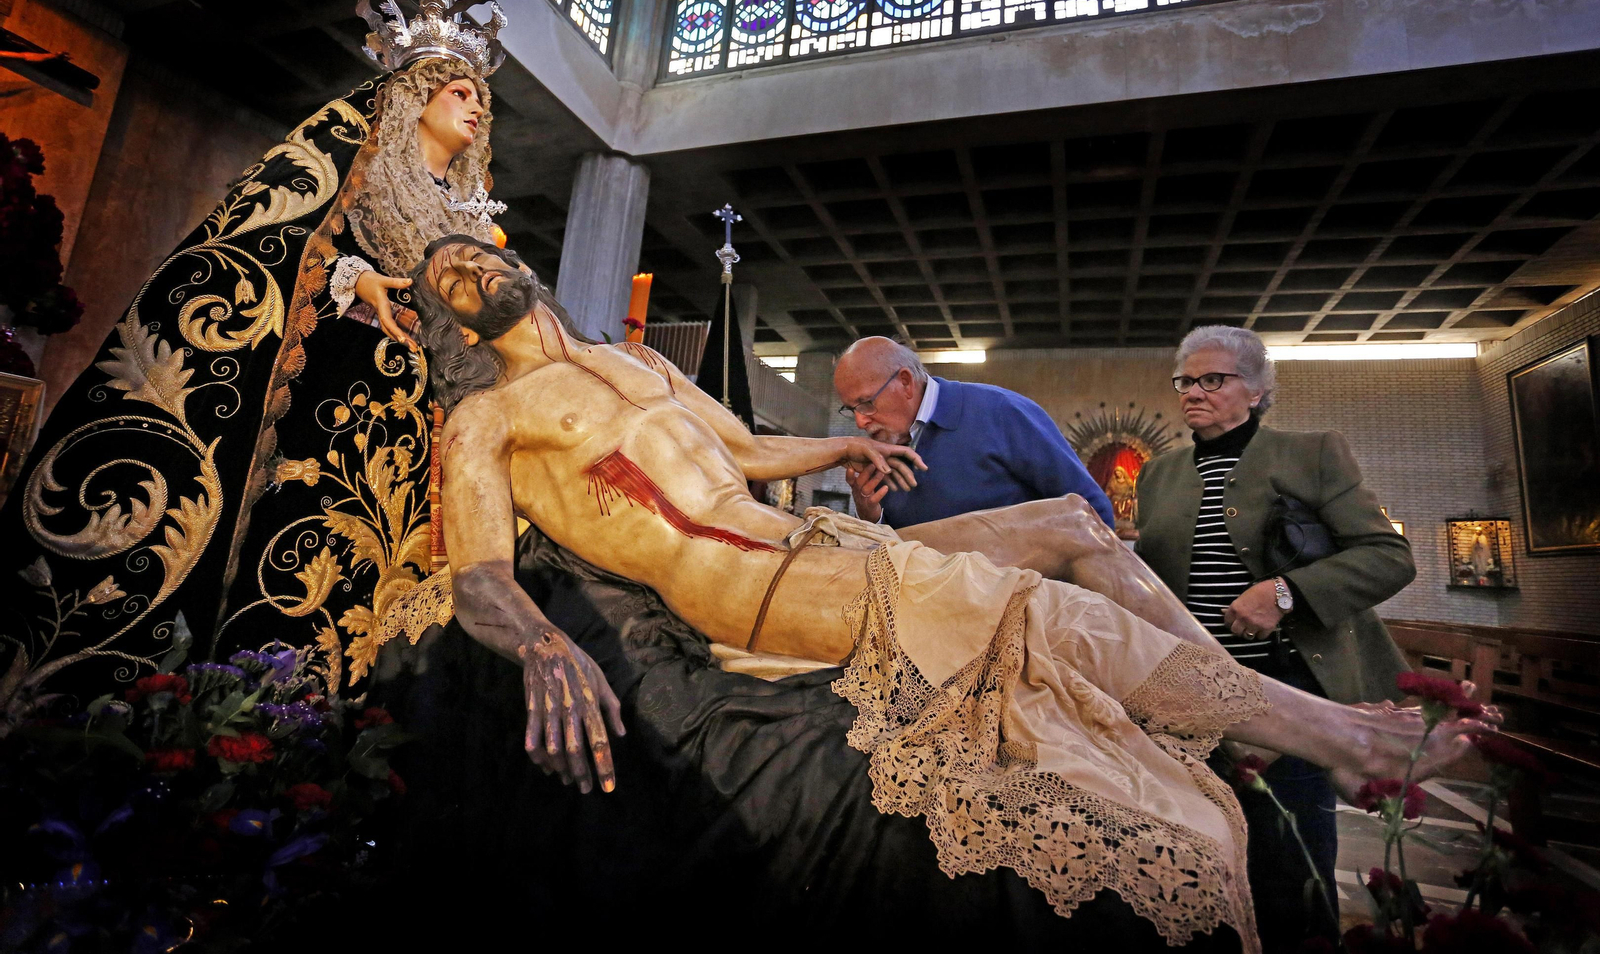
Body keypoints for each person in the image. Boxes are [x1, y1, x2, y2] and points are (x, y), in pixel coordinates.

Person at [408, 237, 1486, 953]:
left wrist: (842, 447)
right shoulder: (490, 417)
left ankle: (1229, 721)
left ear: (517, 267)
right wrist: (542, 646)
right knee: (1046, 611)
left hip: (809, 539)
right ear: (450, 319)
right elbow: (480, 574)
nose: (468, 274)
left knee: (1069, 527)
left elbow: (744, 447)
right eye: (446, 279)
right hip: (746, 586)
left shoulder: (642, 365)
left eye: (474, 256)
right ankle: (1338, 739)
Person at [0, 0, 506, 703]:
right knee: (302, 559)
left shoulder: (472, 216)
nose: (476, 107)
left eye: (481, 98)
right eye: (459, 90)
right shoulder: (353, 152)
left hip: (418, 424)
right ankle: (251, 711)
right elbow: (272, 237)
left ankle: (347, 721)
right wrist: (355, 280)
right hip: (332, 404)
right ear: (415, 97)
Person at [1135, 324, 1416, 952]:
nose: (1193, 392)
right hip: (1187, 698)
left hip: (1285, 693)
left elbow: (1389, 557)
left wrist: (1286, 592)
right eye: (1185, 381)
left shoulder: (1310, 453)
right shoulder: (1159, 474)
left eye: (1213, 380)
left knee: (1289, 862)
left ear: (1257, 390)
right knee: (1196, 857)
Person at [832, 337, 1114, 528]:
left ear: (905, 382)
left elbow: (1092, 515)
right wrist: (871, 516)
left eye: (866, 403)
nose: (860, 422)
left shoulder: (1001, 412)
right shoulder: (882, 449)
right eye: (850, 408)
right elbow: (896, 548)